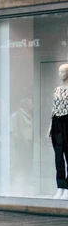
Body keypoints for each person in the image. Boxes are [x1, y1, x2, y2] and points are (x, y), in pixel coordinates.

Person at [50, 64, 68, 200]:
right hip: (56, 123)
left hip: (67, 122)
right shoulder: (56, 90)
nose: (60, 73)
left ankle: (67, 188)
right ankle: (60, 187)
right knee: (58, 158)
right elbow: (54, 108)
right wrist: (50, 126)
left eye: (63, 71)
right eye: (59, 71)